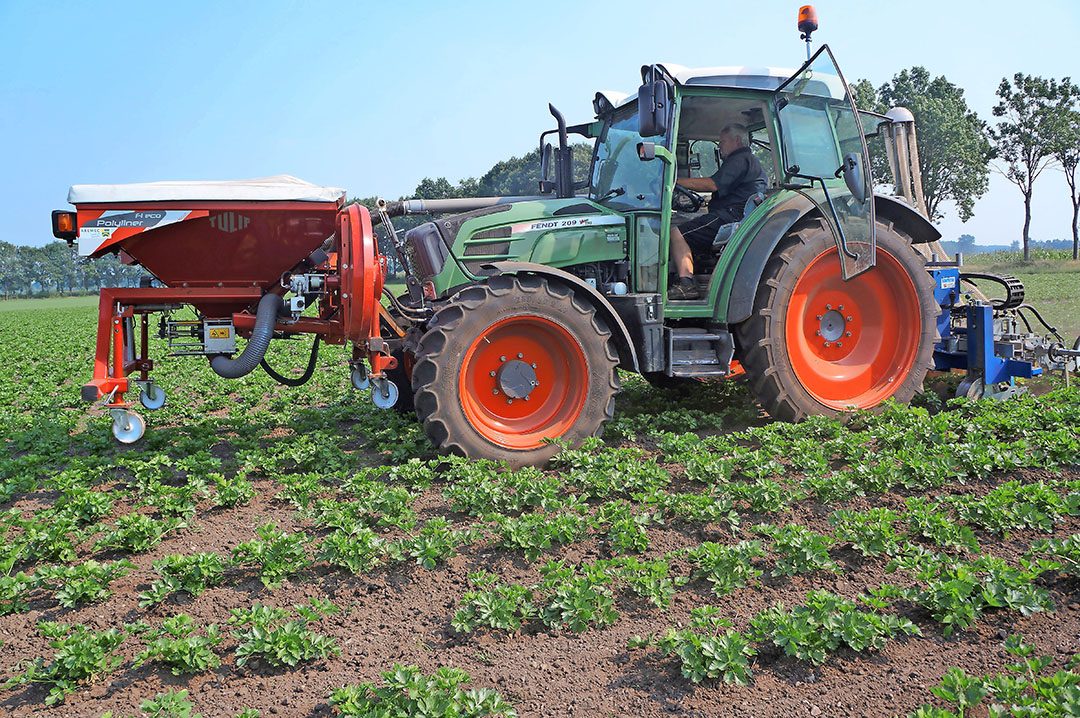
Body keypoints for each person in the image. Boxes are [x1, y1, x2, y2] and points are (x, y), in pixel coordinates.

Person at [668, 123, 768, 300]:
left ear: (737, 140)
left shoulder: (739, 158)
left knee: (677, 234)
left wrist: (673, 181)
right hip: (734, 213)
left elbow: (712, 184)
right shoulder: (747, 161)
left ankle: (686, 285)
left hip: (731, 216)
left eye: (722, 141)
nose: (719, 145)